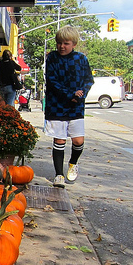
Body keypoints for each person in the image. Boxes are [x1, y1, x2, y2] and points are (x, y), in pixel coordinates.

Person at [44, 25, 94, 188]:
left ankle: (73, 163)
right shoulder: (52, 58)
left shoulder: (81, 59)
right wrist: (70, 95)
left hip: (76, 107)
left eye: (66, 43)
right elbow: (52, 81)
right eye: (59, 43)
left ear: (74, 44)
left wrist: (81, 94)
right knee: (59, 139)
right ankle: (59, 174)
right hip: (57, 105)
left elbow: (88, 80)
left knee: (78, 140)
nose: (62, 46)